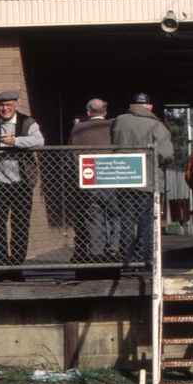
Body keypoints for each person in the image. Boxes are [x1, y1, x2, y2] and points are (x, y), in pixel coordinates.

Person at [0, 91, 44, 281]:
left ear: (16, 105)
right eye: (1, 105)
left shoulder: (28, 122)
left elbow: (39, 140)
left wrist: (16, 142)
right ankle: (1, 267)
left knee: (20, 226)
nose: (5, 108)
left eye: (9, 105)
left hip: (22, 184)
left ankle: (16, 268)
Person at [111, 93, 173, 267]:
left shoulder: (119, 121)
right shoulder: (156, 124)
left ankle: (126, 259)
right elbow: (166, 154)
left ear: (131, 105)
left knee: (126, 220)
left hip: (124, 178)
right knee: (147, 222)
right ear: (150, 107)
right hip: (149, 180)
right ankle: (148, 260)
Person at [68, 99, 121, 276]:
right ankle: (113, 249)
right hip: (111, 177)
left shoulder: (78, 128)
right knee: (115, 214)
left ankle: (96, 252)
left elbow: (71, 152)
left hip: (87, 179)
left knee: (93, 217)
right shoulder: (113, 126)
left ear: (88, 112)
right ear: (105, 112)